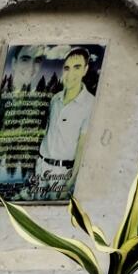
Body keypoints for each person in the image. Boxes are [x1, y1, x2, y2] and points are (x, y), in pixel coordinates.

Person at [35, 48, 96, 196]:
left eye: (77, 67)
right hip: (41, 167)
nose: (71, 74)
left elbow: (82, 147)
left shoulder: (91, 104)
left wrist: (69, 184)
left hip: (62, 174)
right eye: (67, 68)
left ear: (85, 69)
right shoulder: (55, 99)